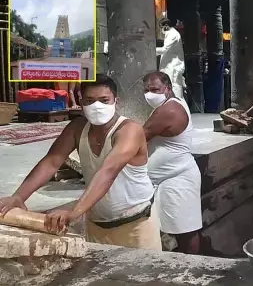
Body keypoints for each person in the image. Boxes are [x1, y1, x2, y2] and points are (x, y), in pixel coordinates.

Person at [0, 74, 162, 250]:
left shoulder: (129, 130)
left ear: (117, 101)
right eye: (90, 100)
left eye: (104, 100)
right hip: (97, 223)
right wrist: (18, 196)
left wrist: (75, 211)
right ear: (80, 101)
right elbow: (52, 162)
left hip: (136, 224)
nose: (97, 106)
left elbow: (108, 171)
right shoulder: (77, 128)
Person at [142, 71, 202, 254]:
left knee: (186, 231)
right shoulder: (168, 104)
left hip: (178, 178)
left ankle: (192, 270)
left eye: (155, 89)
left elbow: (138, 136)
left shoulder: (169, 109)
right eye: (146, 90)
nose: (149, 94)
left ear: (167, 88)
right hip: (167, 180)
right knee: (172, 231)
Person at [156, 18, 186, 100]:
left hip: (173, 67)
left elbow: (164, 50)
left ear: (166, 26)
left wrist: (151, 50)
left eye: (161, 27)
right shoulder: (171, 34)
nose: (161, 30)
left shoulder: (172, 34)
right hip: (170, 67)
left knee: (175, 93)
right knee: (170, 91)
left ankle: (179, 110)